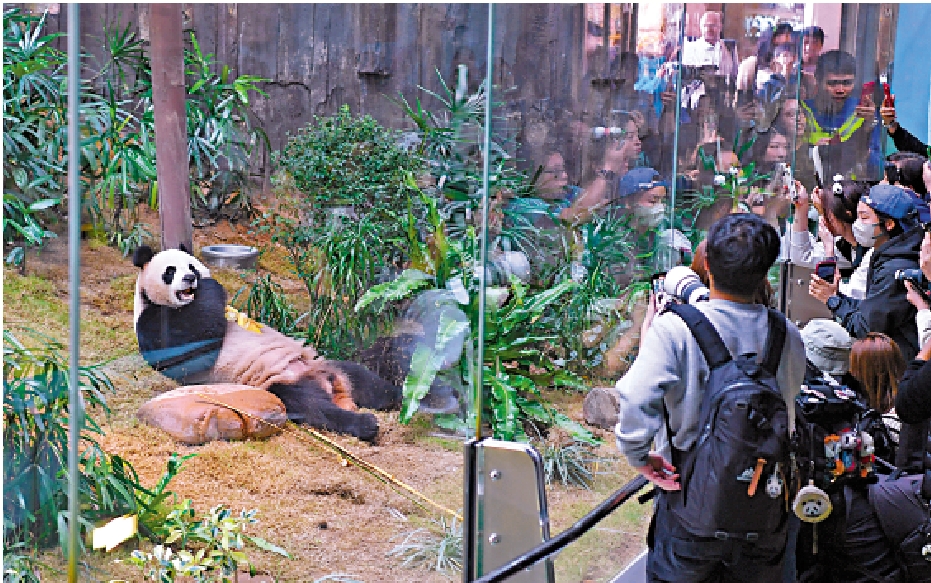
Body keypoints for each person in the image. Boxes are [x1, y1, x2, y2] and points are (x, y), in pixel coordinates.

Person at [615, 213, 806, 582]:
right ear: (765, 274)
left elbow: (636, 399)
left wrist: (639, 457)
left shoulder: (675, 328)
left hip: (690, 503)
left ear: (708, 269)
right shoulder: (787, 335)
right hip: (762, 506)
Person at [809, 184, 924, 362]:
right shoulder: (888, 253)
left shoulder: (896, 268)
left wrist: (833, 301)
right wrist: (835, 295)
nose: (857, 224)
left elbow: (866, 327)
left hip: (899, 363)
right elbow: (871, 309)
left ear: (889, 224)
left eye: (864, 217)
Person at [801, 50, 883, 181]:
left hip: (850, 190)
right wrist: (813, 152)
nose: (840, 90)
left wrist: (870, 124)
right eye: (832, 83)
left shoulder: (864, 111)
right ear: (818, 79)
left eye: (846, 83)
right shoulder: (801, 111)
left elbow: (876, 163)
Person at [790, 178, 873, 300]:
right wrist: (802, 206)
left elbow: (831, 292)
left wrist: (829, 252)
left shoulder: (871, 250)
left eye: (827, 212)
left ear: (846, 214)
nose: (823, 217)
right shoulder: (846, 244)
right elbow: (801, 256)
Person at [681, 11, 738, 78]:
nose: (708, 29)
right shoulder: (691, 49)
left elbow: (735, 74)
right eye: (705, 26)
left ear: (720, 27)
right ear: (700, 27)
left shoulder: (729, 47)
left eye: (712, 25)